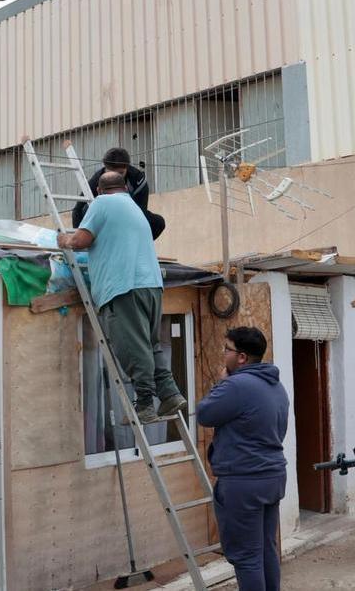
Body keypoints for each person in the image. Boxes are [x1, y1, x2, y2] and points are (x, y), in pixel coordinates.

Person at [57, 171, 185, 424]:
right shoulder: (134, 208)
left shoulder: (102, 203)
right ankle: (169, 394)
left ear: (99, 191)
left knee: (132, 346)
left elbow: (82, 240)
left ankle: (145, 404)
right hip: (151, 285)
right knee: (150, 344)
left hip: (124, 287)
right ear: (125, 187)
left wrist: (65, 239)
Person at [197, 326, 290, 591]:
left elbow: (205, 413)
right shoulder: (276, 385)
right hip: (272, 477)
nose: (222, 354)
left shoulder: (236, 385)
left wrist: (224, 382)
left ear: (241, 357)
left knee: (246, 557)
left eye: (227, 349)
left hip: (244, 481)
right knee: (265, 549)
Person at [71, 147, 166, 240]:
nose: (116, 177)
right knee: (85, 209)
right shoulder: (96, 179)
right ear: (105, 169)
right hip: (103, 218)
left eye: (120, 173)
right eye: (112, 173)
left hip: (129, 216)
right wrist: (78, 239)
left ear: (126, 168)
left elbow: (141, 214)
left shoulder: (138, 180)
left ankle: (136, 244)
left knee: (158, 222)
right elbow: (77, 209)